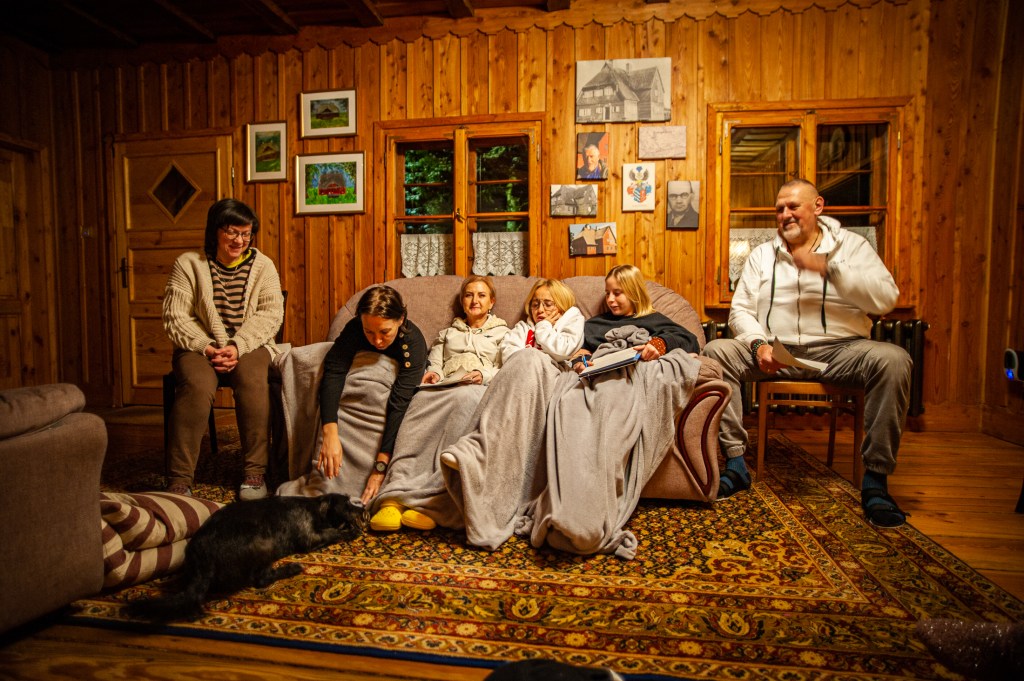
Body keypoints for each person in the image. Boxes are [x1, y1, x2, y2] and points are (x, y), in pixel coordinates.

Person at [702, 179, 912, 528]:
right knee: (715, 351)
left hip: (842, 350)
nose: (785, 214)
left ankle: (876, 481)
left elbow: (885, 299)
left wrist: (830, 269)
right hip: (777, 351)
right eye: (779, 209)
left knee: (894, 360)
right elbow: (740, 310)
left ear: (818, 206)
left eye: (793, 206)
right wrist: (758, 345)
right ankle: (736, 464)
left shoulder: (852, 246)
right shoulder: (762, 255)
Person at [520, 264, 702, 558]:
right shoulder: (594, 324)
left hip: (626, 380)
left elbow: (688, 340)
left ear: (634, 292)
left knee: (609, 418)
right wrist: (580, 359)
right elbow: (578, 350)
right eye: (608, 293)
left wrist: (658, 344)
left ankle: (588, 514)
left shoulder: (654, 320)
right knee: (568, 407)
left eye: (618, 293)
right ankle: (563, 505)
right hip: (592, 377)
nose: (611, 299)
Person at [162, 198, 284, 500]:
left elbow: (270, 315)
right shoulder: (188, 264)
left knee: (252, 379)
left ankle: (255, 473)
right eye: (232, 232)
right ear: (215, 230)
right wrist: (207, 346)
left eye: (246, 234)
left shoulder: (264, 266)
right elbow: (176, 317)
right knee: (196, 385)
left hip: (250, 344)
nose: (239, 241)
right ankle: (180, 478)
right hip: (199, 346)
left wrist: (237, 346)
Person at [369, 276, 510, 532]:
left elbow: (507, 368)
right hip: (445, 385)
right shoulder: (449, 333)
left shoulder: (504, 333)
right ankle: (393, 496)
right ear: (462, 301)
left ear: (492, 302)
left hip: (476, 389)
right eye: (469, 295)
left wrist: (483, 375)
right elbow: (434, 361)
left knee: (465, 402)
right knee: (419, 401)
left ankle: (428, 504)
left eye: (481, 295)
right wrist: (434, 374)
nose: (474, 300)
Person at [277, 285, 428, 506]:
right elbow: (334, 371)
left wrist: (380, 467)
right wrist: (330, 433)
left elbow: (400, 402)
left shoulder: (414, 344)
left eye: (385, 332)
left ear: (401, 320)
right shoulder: (355, 328)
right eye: (369, 332)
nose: (377, 340)